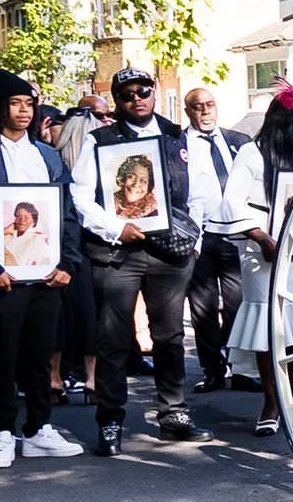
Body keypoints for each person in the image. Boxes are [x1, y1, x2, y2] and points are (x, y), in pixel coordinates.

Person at [0, 71, 83, 468]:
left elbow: (67, 213)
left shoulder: (48, 156)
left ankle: (39, 428)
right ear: (0, 109)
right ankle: (2, 433)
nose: (24, 111)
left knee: (41, 355)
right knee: (6, 355)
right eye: (15, 104)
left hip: (47, 275)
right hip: (5, 277)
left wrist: (67, 263)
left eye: (29, 104)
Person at [73, 67, 198, 453]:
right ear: (117, 100)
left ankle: (173, 413)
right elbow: (80, 196)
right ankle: (110, 420)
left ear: (154, 92)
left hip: (169, 252)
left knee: (169, 336)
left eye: (143, 91)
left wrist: (196, 239)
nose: (137, 99)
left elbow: (197, 192)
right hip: (118, 251)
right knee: (113, 338)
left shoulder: (176, 134)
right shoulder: (100, 140)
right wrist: (116, 228)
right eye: (127, 94)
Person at [223, 86, 293, 437]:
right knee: (270, 328)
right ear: (287, 124)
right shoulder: (251, 153)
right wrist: (260, 237)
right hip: (262, 251)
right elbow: (232, 202)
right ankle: (272, 404)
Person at [181, 88, 249, 393]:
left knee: (238, 304)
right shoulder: (178, 144)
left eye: (210, 104)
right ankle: (212, 370)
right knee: (202, 308)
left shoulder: (238, 142)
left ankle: (240, 367)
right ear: (188, 112)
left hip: (234, 233)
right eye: (198, 107)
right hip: (201, 236)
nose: (205, 111)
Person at [51, 103, 99, 407]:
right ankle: (92, 379)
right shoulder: (101, 162)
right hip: (94, 245)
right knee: (92, 314)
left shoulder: (53, 164)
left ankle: (54, 377)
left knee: (58, 313)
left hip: (61, 246)